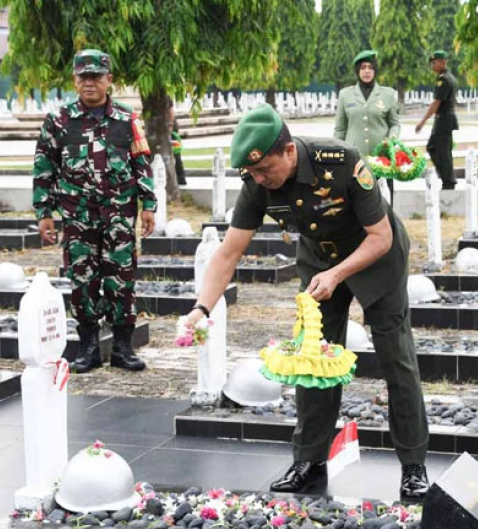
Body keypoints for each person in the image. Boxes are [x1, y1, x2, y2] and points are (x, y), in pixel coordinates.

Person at [188, 104, 430, 500]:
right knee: (311, 360)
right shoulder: (258, 184)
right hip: (320, 262)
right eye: (253, 173)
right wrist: (201, 308)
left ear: (287, 151)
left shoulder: (341, 162)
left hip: (376, 259)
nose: (260, 179)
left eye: (265, 169)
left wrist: (338, 275)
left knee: (396, 358)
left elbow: (380, 237)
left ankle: (414, 465)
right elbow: (229, 252)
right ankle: (309, 459)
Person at [33, 49, 156, 373]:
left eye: (96, 77)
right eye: (83, 77)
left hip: (118, 216)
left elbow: (141, 163)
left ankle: (122, 348)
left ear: (109, 80)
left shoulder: (127, 120)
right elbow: (44, 167)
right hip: (78, 218)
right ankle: (87, 347)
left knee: (122, 281)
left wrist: (149, 205)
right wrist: (44, 212)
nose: (90, 83)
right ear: (75, 80)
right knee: (82, 281)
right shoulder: (59, 121)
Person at [334, 50, 400, 206]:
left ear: (375, 70)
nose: (366, 71)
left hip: (382, 159)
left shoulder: (388, 94)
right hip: (355, 160)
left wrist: (390, 141)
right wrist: (337, 154)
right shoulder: (345, 95)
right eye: (363, 67)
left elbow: (394, 124)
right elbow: (340, 129)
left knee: (384, 202)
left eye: (370, 67)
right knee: (356, 202)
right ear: (357, 71)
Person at [416, 50, 458, 190]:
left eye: (435, 63)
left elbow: (436, 103)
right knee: (442, 149)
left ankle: (448, 179)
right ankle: (447, 179)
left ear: (443, 62)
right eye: (431, 63)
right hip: (446, 118)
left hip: (444, 119)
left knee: (437, 149)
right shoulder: (448, 77)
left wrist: (422, 122)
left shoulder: (444, 80)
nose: (432, 66)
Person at [167, 98, 187, 186]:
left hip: (169, 126)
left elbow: (171, 109)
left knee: (175, 153)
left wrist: (170, 125)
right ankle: (180, 177)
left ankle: (181, 177)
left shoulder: (163, 96)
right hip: (169, 124)